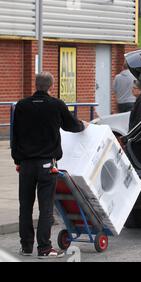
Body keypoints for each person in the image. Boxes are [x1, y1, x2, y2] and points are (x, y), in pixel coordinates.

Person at [11, 72, 88, 258]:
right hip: (47, 164)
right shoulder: (56, 105)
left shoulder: (21, 106)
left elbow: (15, 135)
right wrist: (83, 126)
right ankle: (44, 248)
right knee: (45, 208)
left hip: (26, 165)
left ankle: (26, 247)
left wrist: (18, 160)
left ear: (35, 85)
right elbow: (72, 126)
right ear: (51, 86)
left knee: (25, 206)